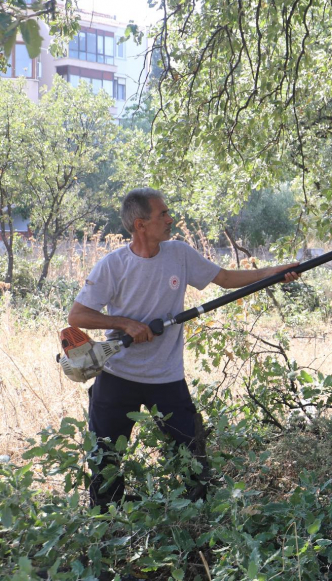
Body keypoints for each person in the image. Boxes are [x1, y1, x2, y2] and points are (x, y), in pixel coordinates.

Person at [68, 187, 299, 509]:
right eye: (162, 213)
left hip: (165, 376)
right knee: (105, 457)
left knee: (193, 454)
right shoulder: (113, 265)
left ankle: (197, 515)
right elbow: (77, 316)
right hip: (117, 374)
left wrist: (271, 273)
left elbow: (226, 278)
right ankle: (107, 519)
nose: (170, 218)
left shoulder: (179, 253)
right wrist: (125, 324)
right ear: (140, 224)